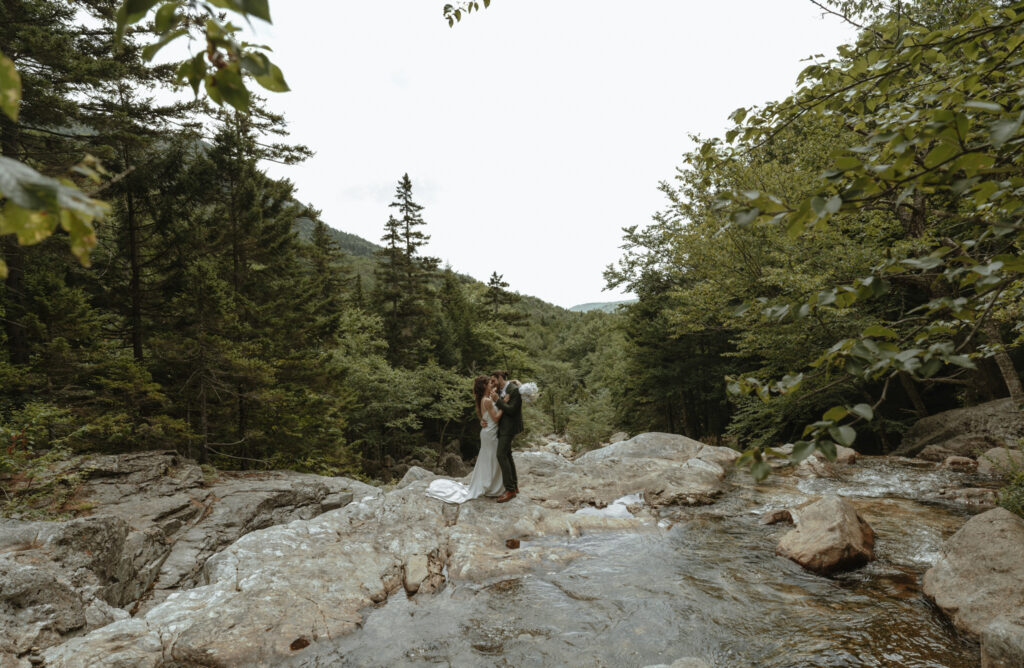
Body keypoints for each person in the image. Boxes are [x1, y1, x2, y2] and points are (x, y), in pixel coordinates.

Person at [425, 376, 504, 503]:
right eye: (489, 383)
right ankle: (492, 487)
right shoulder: (488, 401)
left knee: (491, 458)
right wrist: (503, 405)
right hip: (491, 434)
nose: (492, 385)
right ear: (484, 386)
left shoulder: (485, 399)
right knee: (492, 458)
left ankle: (493, 486)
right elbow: (495, 418)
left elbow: (486, 417)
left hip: (489, 431)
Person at [491, 370, 523, 503]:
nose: (492, 383)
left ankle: (509, 490)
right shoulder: (499, 390)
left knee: (501, 455)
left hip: (510, 427)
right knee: (507, 455)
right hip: (502, 427)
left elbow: (511, 410)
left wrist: (498, 401)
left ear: (500, 378)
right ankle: (514, 487)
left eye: (494, 380)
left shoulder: (514, 390)